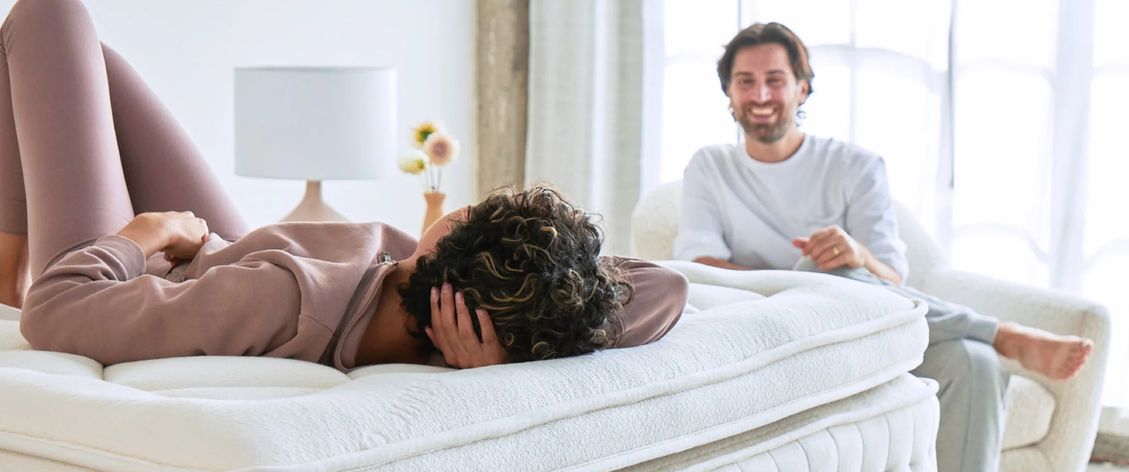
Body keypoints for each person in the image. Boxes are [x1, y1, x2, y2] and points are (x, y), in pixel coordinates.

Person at [676, 22, 1095, 472]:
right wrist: (806, 276)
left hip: (865, 332)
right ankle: (1000, 333)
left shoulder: (853, 165)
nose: (760, 94)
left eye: (774, 79)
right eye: (746, 81)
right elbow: (700, 267)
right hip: (772, 334)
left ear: (803, 87)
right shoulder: (710, 167)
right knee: (824, 269)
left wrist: (855, 257)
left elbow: (891, 280)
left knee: (969, 362)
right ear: (729, 93)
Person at [0, 0, 687, 370]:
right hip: (240, 250)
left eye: (473, 206)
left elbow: (56, 312)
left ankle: (8, 271)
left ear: (447, 241)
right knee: (95, 64)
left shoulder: (281, 300)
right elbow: (668, 286)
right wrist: (505, 357)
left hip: (164, 271)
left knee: (45, 16)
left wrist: (147, 233)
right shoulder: (445, 314)